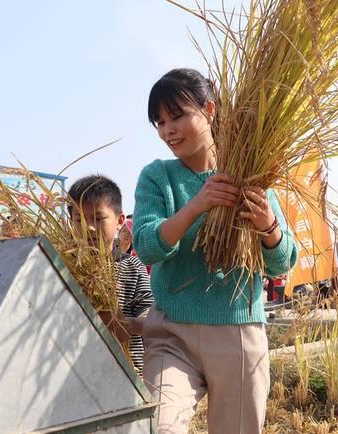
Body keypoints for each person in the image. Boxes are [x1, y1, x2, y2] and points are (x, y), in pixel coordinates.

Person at [133, 68, 298, 433]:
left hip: (237, 333)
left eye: (177, 116)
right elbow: (145, 246)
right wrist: (196, 206)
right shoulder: (158, 176)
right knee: (158, 427)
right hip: (171, 333)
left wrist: (268, 225)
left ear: (209, 109)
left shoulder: (248, 173)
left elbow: (281, 262)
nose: (167, 130)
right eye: (159, 122)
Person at [67, 175, 154, 375]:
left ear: (120, 220)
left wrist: (127, 324)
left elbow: (149, 315)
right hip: (75, 370)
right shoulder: (65, 267)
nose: (88, 227)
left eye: (98, 218)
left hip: (126, 371)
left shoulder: (132, 266)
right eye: (79, 219)